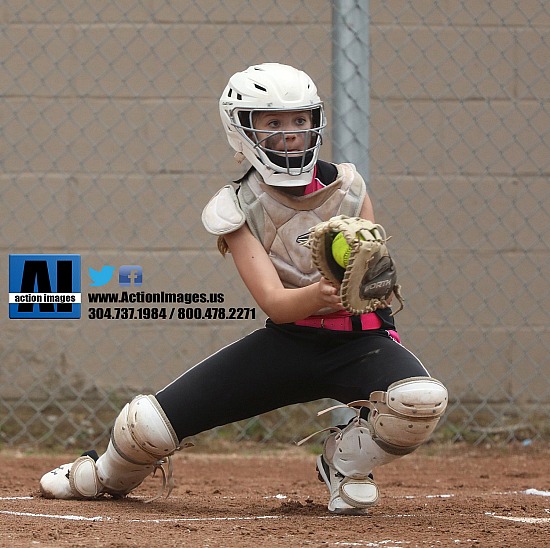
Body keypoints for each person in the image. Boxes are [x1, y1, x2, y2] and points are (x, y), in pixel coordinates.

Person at [39, 62, 448, 515]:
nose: (290, 133)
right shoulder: (235, 207)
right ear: (242, 132)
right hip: (290, 342)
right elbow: (276, 304)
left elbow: (373, 277)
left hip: (362, 341)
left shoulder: (348, 188)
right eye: (272, 123)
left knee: (418, 400)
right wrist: (323, 294)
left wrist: (370, 280)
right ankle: (98, 476)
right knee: (148, 426)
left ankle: (344, 463)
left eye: (299, 120)